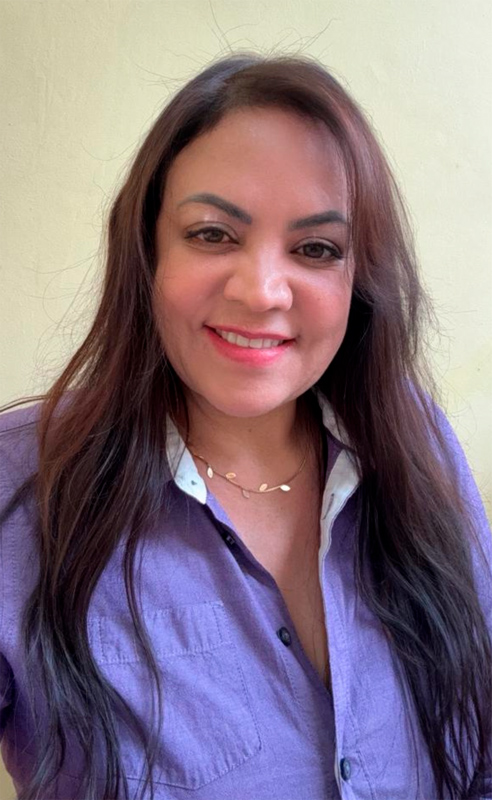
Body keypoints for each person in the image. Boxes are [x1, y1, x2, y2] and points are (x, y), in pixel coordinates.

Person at [0, 51, 491, 800]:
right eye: (212, 234)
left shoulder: (414, 442)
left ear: (359, 279)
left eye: (316, 249)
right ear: (147, 250)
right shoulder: (23, 485)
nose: (262, 291)